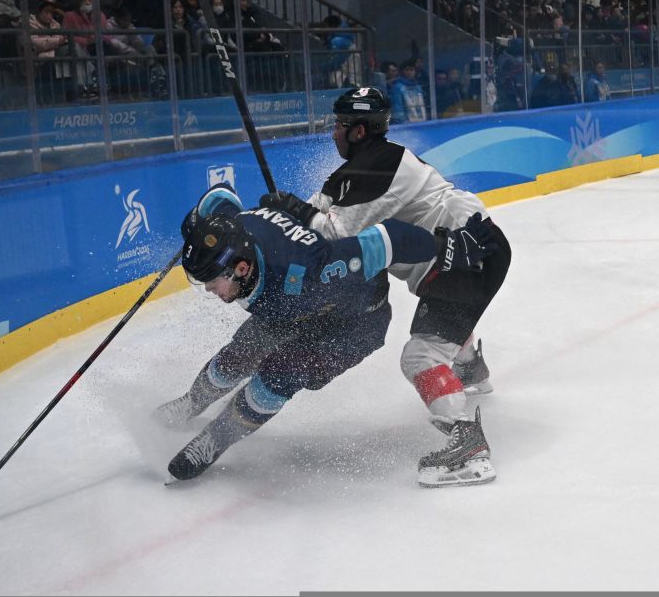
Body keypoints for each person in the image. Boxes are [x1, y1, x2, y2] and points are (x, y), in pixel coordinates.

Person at [257, 86, 513, 487]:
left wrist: (292, 211)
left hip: (465, 258)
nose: (334, 132)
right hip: (468, 254)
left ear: (359, 131)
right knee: (444, 319)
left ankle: (468, 446)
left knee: (420, 358)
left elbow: (334, 234)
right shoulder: (369, 164)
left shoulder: (376, 170)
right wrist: (280, 215)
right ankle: (470, 367)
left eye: (340, 125)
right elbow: (320, 208)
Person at [157, 183, 498, 483]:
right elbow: (220, 198)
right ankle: (192, 402)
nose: (210, 290)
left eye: (212, 283)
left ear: (240, 268)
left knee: (279, 375)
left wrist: (450, 246)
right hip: (292, 307)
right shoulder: (234, 227)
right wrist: (195, 225)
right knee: (241, 352)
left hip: (355, 323)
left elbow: (392, 237)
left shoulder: (312, 267)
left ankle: (214, 441)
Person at [389, 59, 427, 124]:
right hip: (407, 126)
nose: (410, 72)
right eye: (407, 70)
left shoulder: (418, 87)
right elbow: (398, 111)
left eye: (412, 70)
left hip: (422, 123)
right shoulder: (398, 87)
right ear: (401, 72)